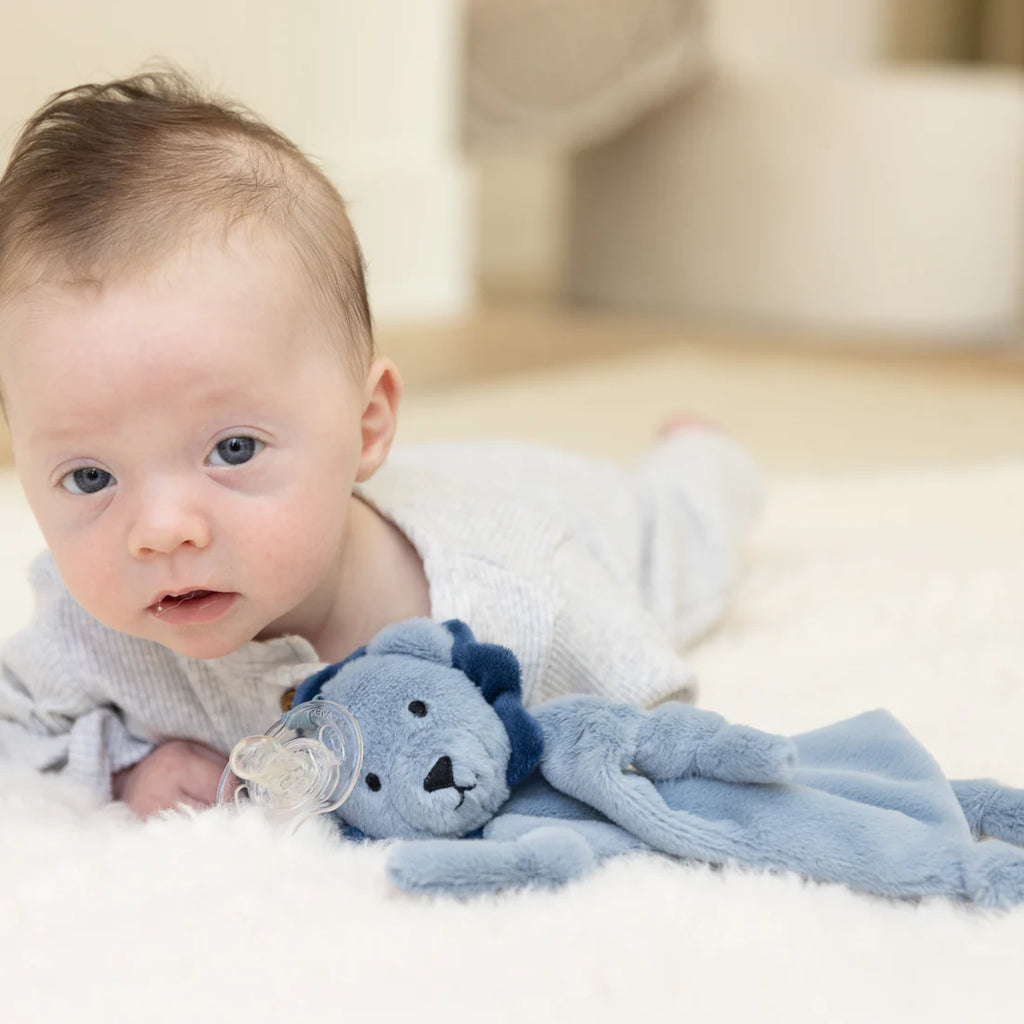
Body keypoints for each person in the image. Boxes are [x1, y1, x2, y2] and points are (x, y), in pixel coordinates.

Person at [0, 70, 762, 818]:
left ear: (367, 427)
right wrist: (132, 765)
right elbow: (18, 722)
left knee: (689, 522)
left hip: (582, 513)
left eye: (232, 450)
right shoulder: (86, 627)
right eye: (92, 476)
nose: (162, 530)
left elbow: (655, 711)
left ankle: (703, 451)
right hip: (409, 480)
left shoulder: (522, 595)